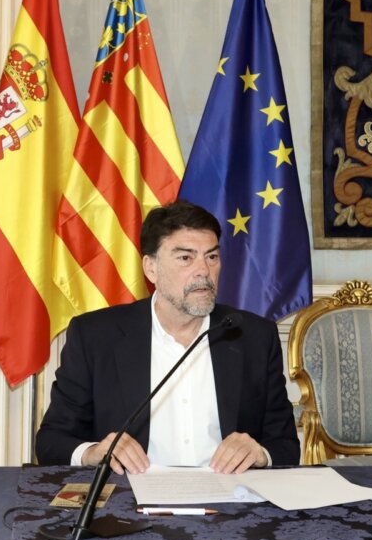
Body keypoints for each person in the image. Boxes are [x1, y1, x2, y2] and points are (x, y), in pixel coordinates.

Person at [36, 200, 300, 474]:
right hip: (131, 493)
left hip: (229, 493)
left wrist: (260, 454)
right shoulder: (96, 336)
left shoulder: (254, 337)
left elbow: (285, 445)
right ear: (151, 268)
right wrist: (93, 452)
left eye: (211, 257)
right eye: (186, 258)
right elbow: (51, 441)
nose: (203, 270)